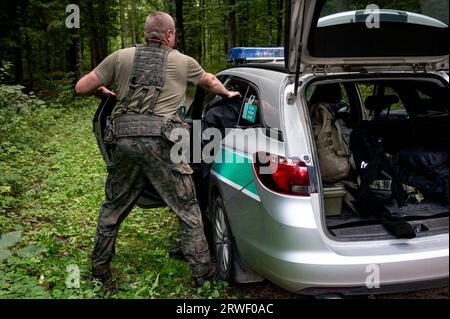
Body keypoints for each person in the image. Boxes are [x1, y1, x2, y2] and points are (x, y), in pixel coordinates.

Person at [75, 11, 240, 288]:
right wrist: (227, 94)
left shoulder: (119, 57)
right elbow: (210, 82)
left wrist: (103, 89)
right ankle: (202, 276)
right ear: (169, 35)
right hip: (164, 144)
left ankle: (99, 272)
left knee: (112, 209)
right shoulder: (184, 62)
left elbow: (81, 87)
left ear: (146, 33)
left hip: (124, 142)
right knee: (188, 210)